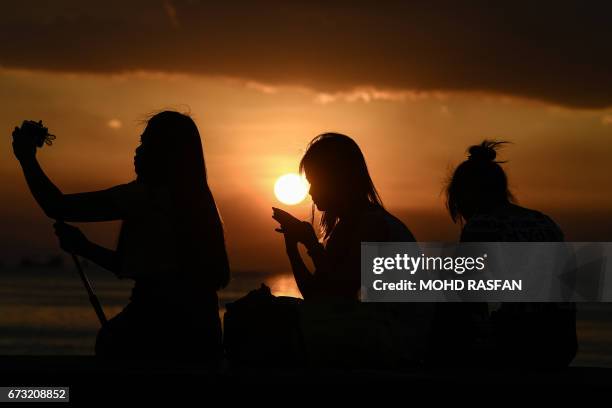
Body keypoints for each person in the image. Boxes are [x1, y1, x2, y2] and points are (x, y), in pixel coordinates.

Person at [11, 111, 229, 364]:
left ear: (165, 153)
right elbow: (149, 269)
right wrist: (85, 247)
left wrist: (27, 159)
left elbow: (57, 206)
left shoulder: (144, 196)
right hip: (203, 332)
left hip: (155, 327)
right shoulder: (201, 201)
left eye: (145, 143)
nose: (137, 151)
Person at [272, 133, 433, 367]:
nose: (310, 192)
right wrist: (292, 248)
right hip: (383, 331)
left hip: (400, 340)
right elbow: (317, 295)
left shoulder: (372, 224)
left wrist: (311, 244)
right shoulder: (348, 226)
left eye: (315, 181)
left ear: (338, 179)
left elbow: (340, 291)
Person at [443, 140, 577, 368]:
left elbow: (468, 300)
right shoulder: (543, 221)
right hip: (562, 345)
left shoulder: (481, 225)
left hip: (519, 345)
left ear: (462, 194)